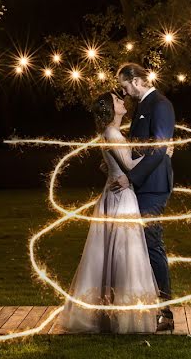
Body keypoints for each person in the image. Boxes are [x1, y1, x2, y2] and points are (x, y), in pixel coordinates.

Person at [58, 91, 159, 334]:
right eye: (117, 100)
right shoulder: (113, 133)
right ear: (109, 109)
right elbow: (129, 165)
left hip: (115, 194)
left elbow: (112, 164)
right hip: (121, 198)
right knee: (125, 253)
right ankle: (124, 316)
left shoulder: (111, 133)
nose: (123, 102)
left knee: (115, 254)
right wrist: (159, 152)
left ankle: (110, 312)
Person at [110, 63, 176, 332]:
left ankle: (166, 312)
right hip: (142, 185)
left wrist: (131, 178)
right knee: (140, 245)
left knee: (152, 244)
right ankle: (148, 305)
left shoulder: (160, 104)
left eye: (125, 87)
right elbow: (141, 148)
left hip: (153, 186)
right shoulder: (142, 107)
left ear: (136, 81)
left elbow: (159, 148)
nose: (124, 93)